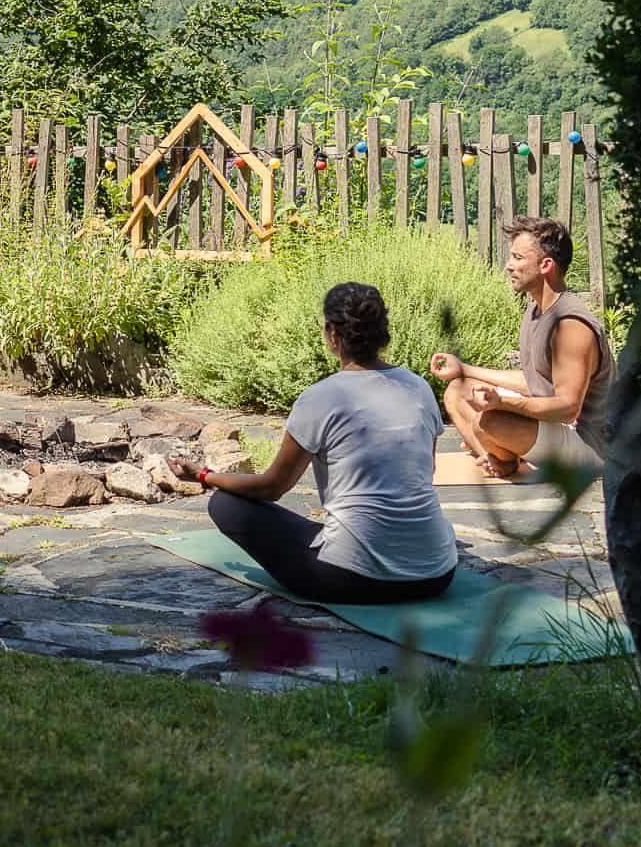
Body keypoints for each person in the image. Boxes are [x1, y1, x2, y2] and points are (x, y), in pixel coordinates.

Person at [175, 283, 458, 604]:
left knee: (225, 504)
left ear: (333, 336)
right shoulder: (418, 388)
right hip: (436, 574)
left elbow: (271, 487)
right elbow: (426, 470)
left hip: (351, 579)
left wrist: (205, 476)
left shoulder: (321, 398)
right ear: (383, 333)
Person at [435, 216, 616, 480]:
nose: (508, 266)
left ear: (546, 265)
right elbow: (534, 380)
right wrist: (462, 369)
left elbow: (568, 408)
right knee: (458, 391)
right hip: (555, 428)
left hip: (590, 446)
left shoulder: (570, 325)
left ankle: (501, 455)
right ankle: (499, 460)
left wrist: (504, 403)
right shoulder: (535, 309)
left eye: (518, 258)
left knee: (490, 421)